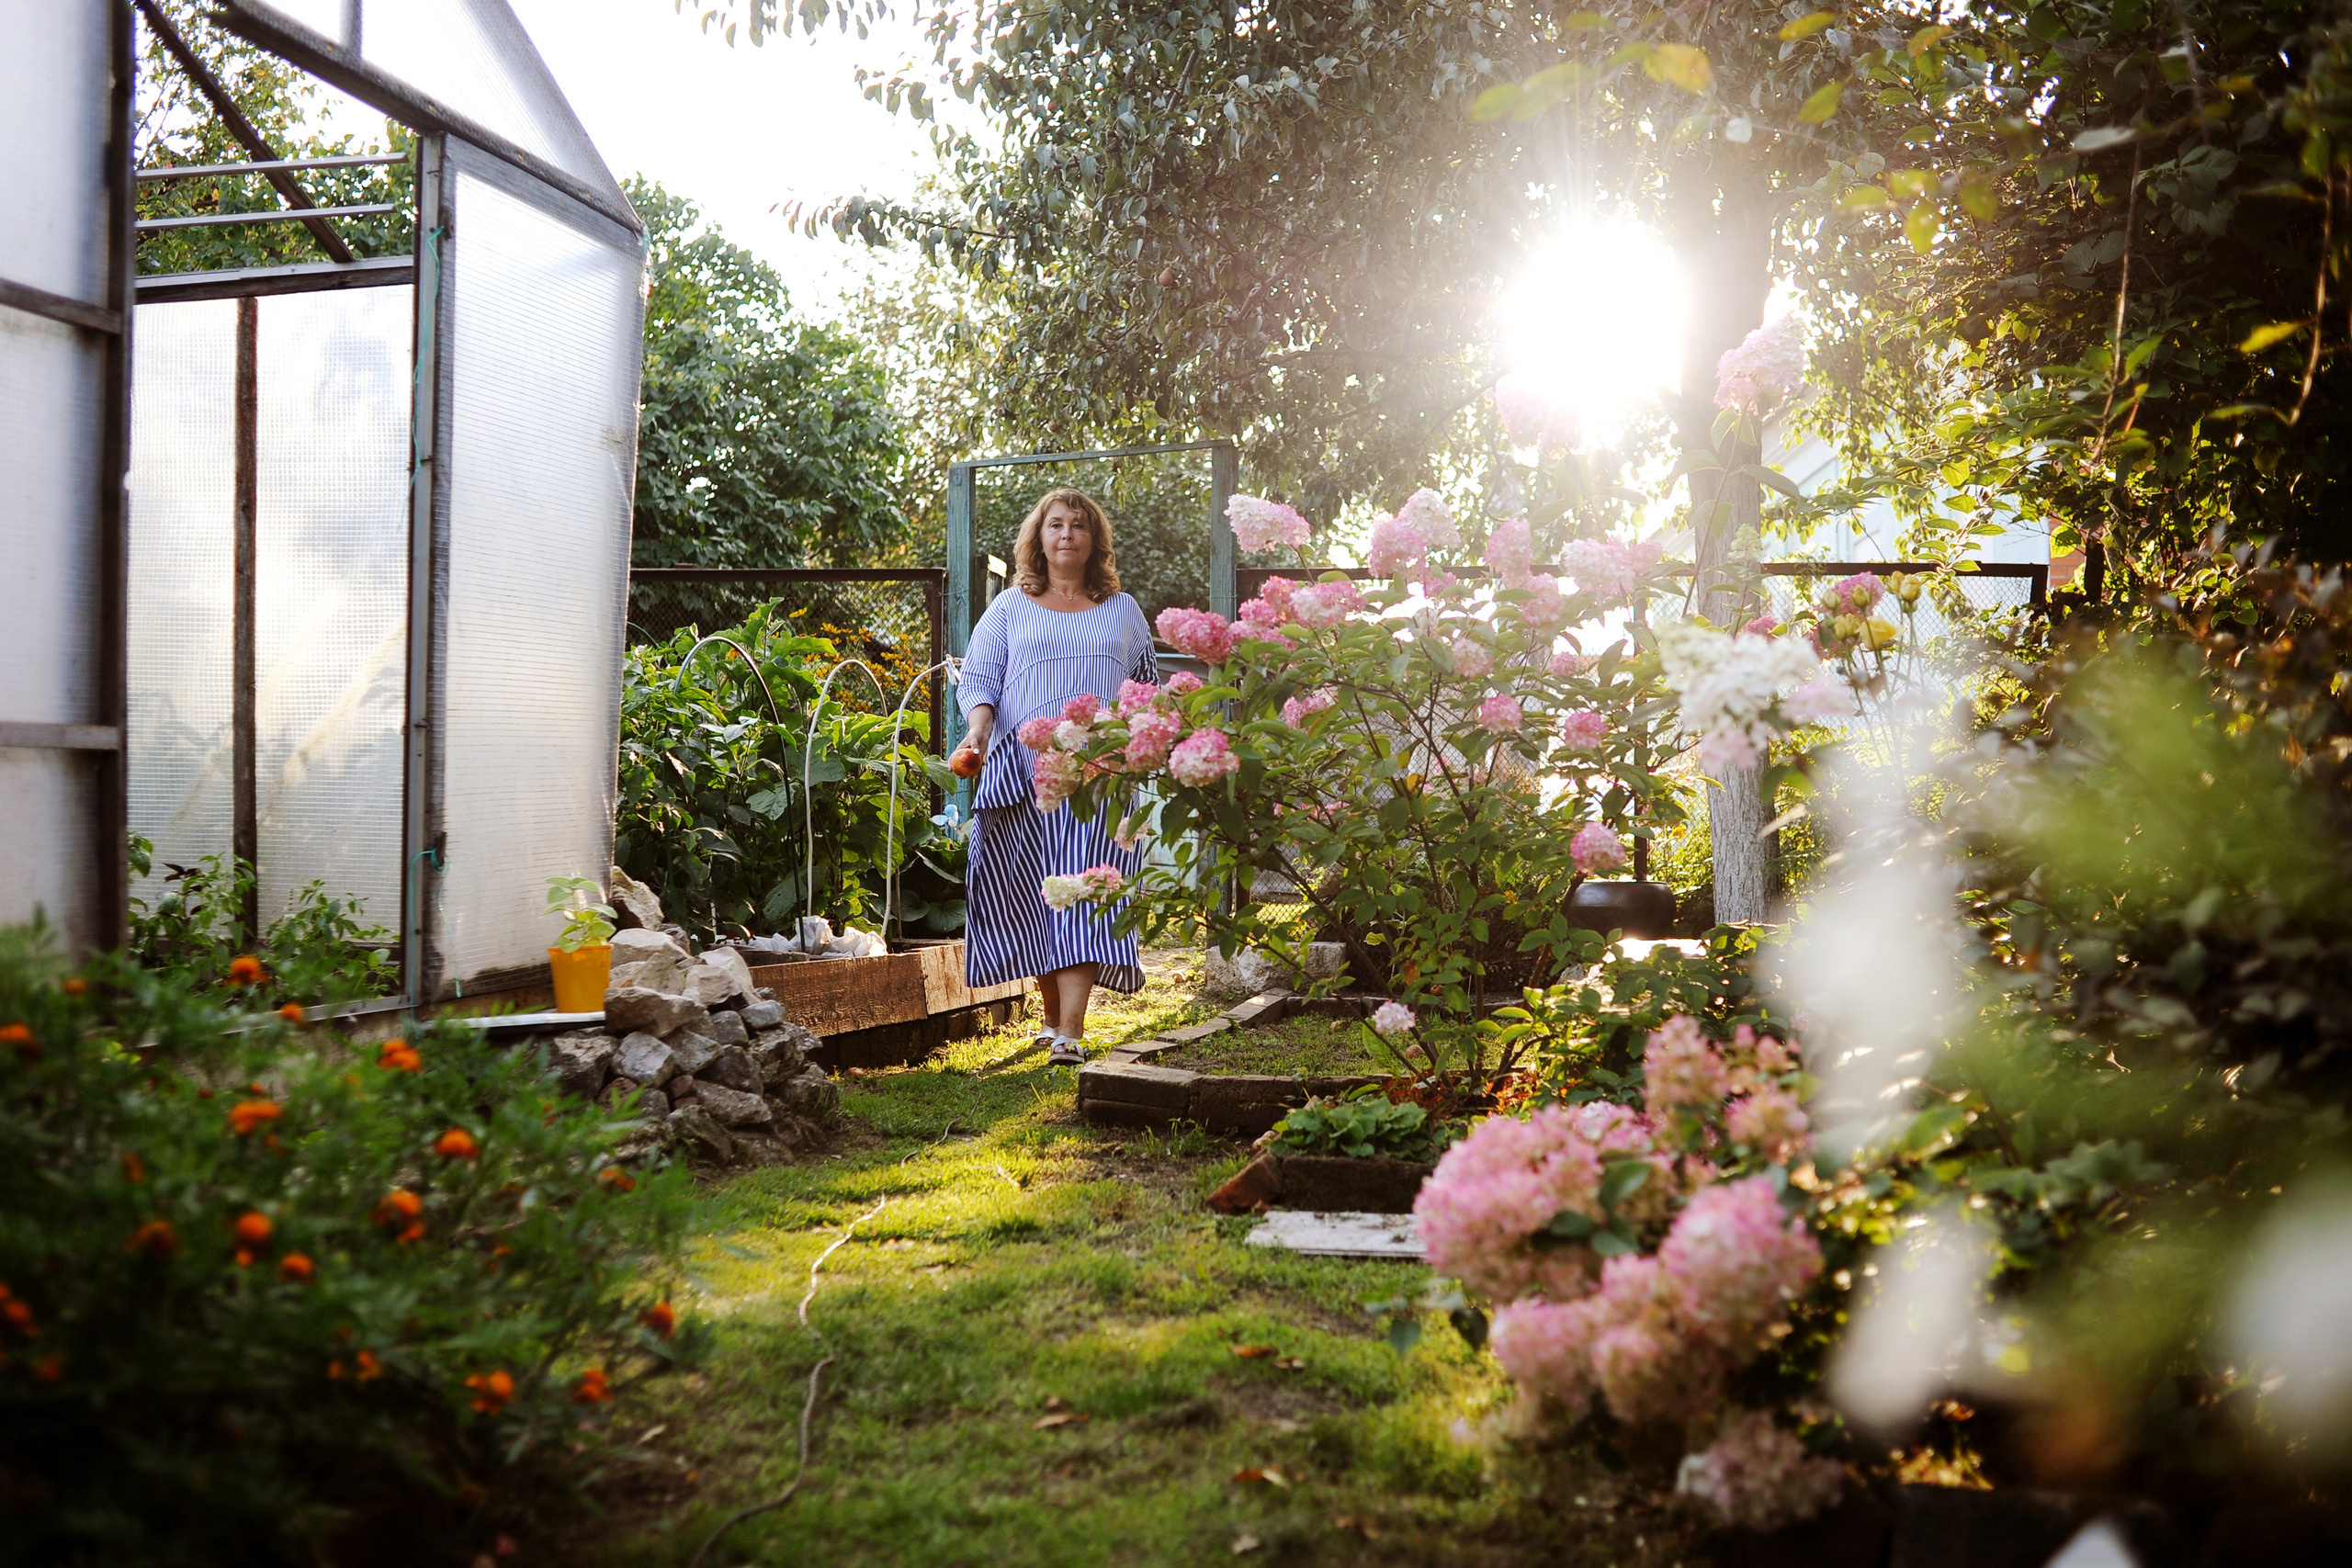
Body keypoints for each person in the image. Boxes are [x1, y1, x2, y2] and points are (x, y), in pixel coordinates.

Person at [952, 488, 1157, 1066]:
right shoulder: (1010, 607)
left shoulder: (1124, 611)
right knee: (1027, 896)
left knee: (1085, 892)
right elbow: (982, 680)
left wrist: (1137, 744)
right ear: (1038, 540)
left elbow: (1145, 689)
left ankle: (1071, 1029)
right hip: (1021, 770)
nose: (1066, 535)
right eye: (1055, 525)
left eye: (1079, 526)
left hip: (1098, 776)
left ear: (1095, 541)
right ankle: (1049, 1022)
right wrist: (977, 733)